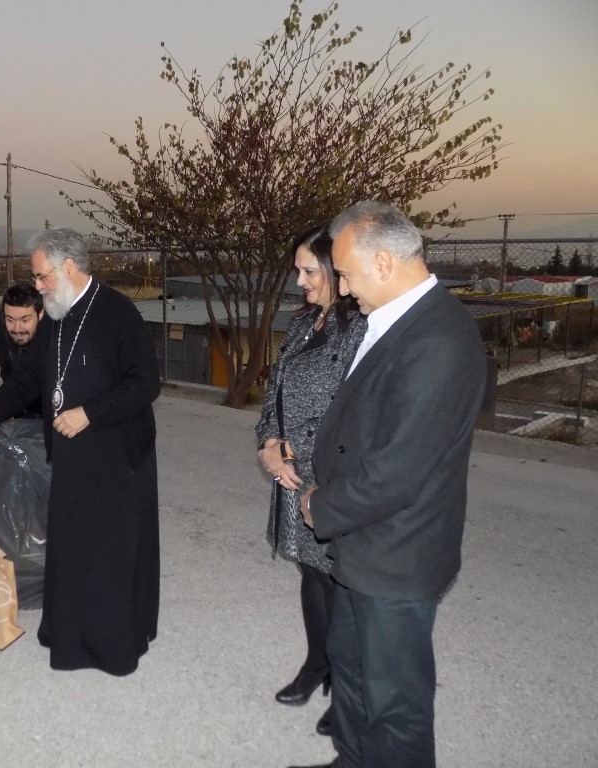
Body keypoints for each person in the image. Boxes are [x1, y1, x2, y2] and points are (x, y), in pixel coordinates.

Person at [293, 201, 487, 768]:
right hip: (364, 547)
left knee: (395, 704)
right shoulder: (396, 319)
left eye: (346, 273)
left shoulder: (438, 340)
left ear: (383, 263)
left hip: (397, 554)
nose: (342, 288)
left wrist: (320, 506)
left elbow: (397, 470)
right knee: (352, 672)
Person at [0, 228, 161, 676]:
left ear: (68, 267)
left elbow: (145, 383)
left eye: (42, 276)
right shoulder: (55, 316)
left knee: (107, 551)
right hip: (71, 454)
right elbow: (28, 380)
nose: (37, 286)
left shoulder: (117, 312)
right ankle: (69, 633)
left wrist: (88, 413)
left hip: (116, 456)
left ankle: (110, 645)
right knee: (71, 546)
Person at [255, 226, 366, 738]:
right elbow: (274, 390)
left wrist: (290, 448)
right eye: (297, 271)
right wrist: (267, 442)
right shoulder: (301, 322)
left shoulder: (359, 328)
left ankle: (345, 684)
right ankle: (316, 664)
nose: (300, 281)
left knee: (337, 580)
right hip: (290, 470)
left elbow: (347, 407)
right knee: (310, 573)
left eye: (308, 270)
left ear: (335, 269)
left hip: (327, 470)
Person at [0, 283, 45, 417]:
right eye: (10, 320)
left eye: (25, 320)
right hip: (18, 410)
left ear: (40, 314)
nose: (17, 329)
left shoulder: (53, 338)